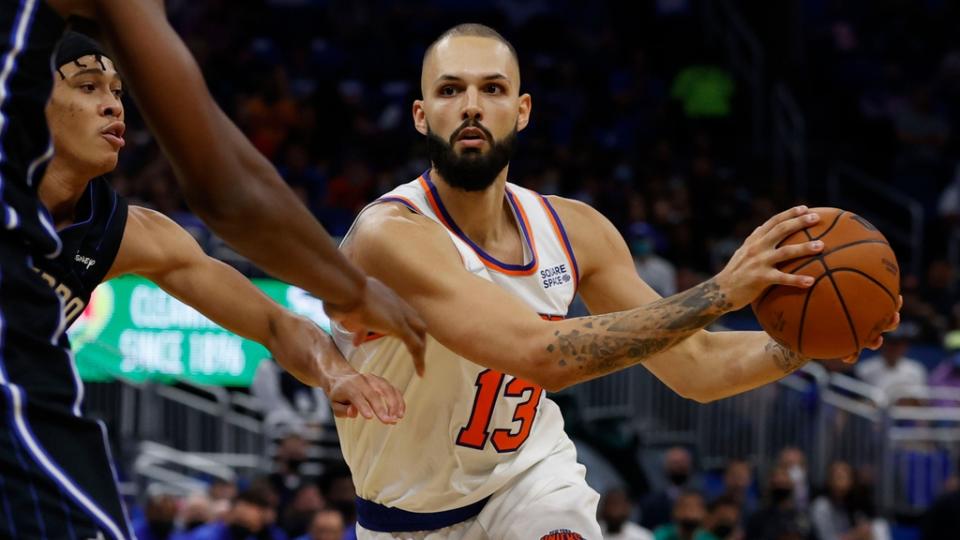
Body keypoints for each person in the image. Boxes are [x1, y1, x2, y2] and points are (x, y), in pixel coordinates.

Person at [331, 23, 900, 539]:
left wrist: (808, 340)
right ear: (421, 114)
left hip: (528, 479)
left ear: (523, 110)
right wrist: (722, 291)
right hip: (402, 522)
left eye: (494, 89)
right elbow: (541, 355)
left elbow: (696, 367)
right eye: (450, 90)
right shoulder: (392, 236)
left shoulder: (576, 231)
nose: (472, 106)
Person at [0, 2, 423, 538]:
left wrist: (332, 370)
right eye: (87, 87)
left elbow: (272, 323)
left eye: (117, 92)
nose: (113, 106)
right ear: (29, 99)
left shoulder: (124, 232)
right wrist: (350, 288)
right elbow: (230, 192)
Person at [641, 447, 698, 530]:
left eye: (683, 462)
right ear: (666, 466)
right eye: (675, 463)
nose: (679, 467)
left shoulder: (702, 497)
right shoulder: (651, 502)